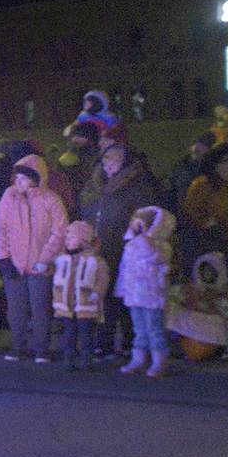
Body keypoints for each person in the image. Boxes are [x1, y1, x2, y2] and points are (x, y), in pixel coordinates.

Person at [80, 142, 163, 357]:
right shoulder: (94, 183)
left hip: (126, 249)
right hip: (100, 247)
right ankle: (104, 342)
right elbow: (85, 208)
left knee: (127, 297)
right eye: (107, 159)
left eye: (116, 160)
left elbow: (145, 214)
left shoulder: (137, 184)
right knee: (102, 295)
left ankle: (130, 342)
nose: (110, 165)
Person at [0, 154, 68, 363]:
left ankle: (41, 349)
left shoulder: (50, 199)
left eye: (23, 178)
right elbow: (1, 228)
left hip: (40, 265)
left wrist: (45, 258)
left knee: (40, 309)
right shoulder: (9, 197)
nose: (18, 182)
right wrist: (4, 257)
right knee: (16, 309)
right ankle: (18, 346)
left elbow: (59, 231)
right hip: (14, 264)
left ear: (36, 178)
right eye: (16, 178)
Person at [181, 143, 228, 307]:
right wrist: (207, 224)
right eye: (222, 162)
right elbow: (190, 214)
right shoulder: (202, 186)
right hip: (214, 248)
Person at [115, 206, 176, 377]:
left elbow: (154, 257)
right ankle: (139, 359)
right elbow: (124, 269)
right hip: (135, 295)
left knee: (154, 329)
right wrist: (122, 288)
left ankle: (159, 361)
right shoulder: (131, 246)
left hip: (152, 295)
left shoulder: (161, 246)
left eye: (141, 223)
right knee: (139, 329)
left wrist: (144, 239)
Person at [52, 221, 110, 371]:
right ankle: (69, 360)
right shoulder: (62, 259)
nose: (67, 241)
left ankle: (86, 361)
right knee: (69, 334)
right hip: (67, 306)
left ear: (84, 240)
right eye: (67, 238)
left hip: (86, 306)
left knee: (86, 335)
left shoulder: (96, 261)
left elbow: (102, 278)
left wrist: (97, 292)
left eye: (71, 238)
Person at [166, 132, 215, 212]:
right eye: (195, 143)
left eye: (204, 144)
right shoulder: (183, 165)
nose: (197, 147)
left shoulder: (210, 169)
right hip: (181, 211)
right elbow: (172, 187)